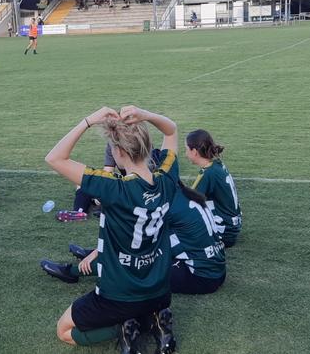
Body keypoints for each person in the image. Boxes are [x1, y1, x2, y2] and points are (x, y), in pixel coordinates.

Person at [44, 105, 179, 353]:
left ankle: (124, 327)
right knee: (146, 303)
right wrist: (146, 115)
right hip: (160, 292)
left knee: (63, 331)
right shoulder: (167, 177)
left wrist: (88, 120)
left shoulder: (114, 187)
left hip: (118, 296)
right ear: (147, 146)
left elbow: (54, 158)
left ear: (117, 152)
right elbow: (171, 131)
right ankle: (155, 318)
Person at [43, 181, 227, 295]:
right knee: (141, 251)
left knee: (133, 264)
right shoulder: (184, 195)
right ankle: (90, 255)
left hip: (199, 275)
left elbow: (130, 239)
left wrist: (100, 252)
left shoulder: (167, 203)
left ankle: (73, 272)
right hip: (210, 267)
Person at [185, 129, 242, 247]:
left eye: (186, 149)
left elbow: (188, 203)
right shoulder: (217, 164)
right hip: (232, 227)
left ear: (194, 151)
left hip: (224, 233)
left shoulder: (208, 173)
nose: (185, 153)